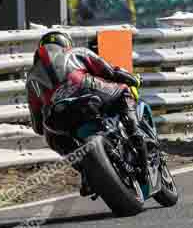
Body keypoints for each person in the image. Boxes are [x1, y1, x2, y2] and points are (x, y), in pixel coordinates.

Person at [25, 31, 148, 194]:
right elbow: (110, 71)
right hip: (90, 92)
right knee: (124, 90)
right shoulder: (77, 52)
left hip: (58, 114)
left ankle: (86, 172)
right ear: (66, 44)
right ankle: (136, 136)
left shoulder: (31, 78)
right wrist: (133, 79)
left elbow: (37, 125)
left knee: (51, 135)